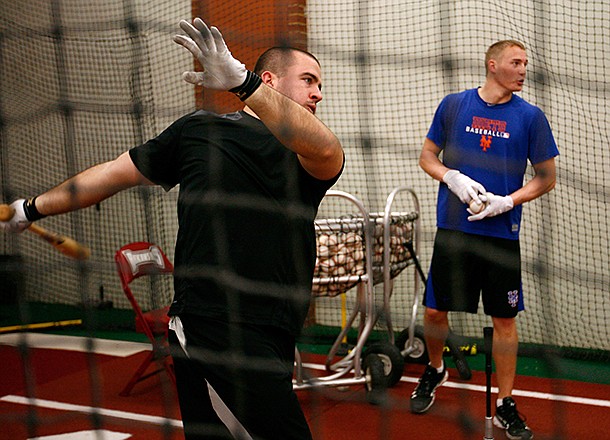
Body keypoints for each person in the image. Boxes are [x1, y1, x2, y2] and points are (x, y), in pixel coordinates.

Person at [1, 18, 344, 439]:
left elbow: (326, 147)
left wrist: (242, 81)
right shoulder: (199, 130)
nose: (318, 93)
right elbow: (111, 174)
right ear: (271, 78)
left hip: (277, 328)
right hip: (213, 323)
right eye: (309, 80)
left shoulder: (306, 154)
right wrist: (31, 208)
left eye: (320, 85)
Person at [411, 40, 558, 440]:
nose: (523, 70)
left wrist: (506, 201)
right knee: (435, 312)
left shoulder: (531, 117)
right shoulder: (454, 105)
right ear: (493, 65)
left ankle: (504, 405)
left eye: (525, 63)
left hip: (501, 234)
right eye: (516, 62)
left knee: (504, 320)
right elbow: (427, 156)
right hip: (455, 230)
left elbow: (547, 177)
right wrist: (451, 177)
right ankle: (435, 368)